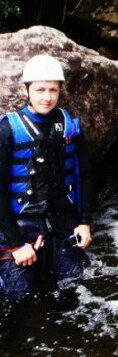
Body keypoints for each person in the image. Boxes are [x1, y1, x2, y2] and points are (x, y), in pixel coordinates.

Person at [0, 55, 92, 301]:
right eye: (40, 89)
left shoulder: (70, 125)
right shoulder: (8, 129)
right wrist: (17, 245)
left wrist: (84, 221)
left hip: (62, 221)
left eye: (53, 89)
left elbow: (83, 175)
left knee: (73, 287)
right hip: (22, 226)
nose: (47, 96)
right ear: (27, 90)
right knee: (20, 297)